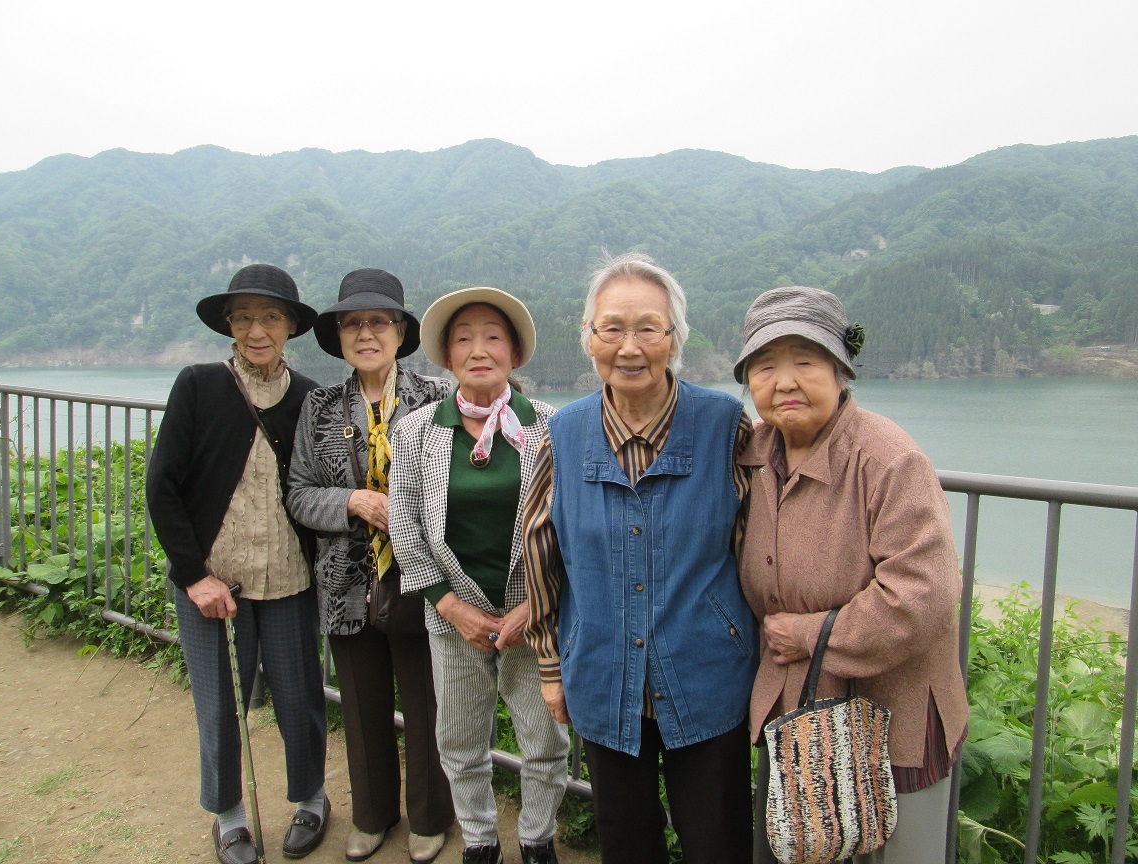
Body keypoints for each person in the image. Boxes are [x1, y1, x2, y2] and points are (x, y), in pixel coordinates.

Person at [523, 252, 759, 864]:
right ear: (588, 337)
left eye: (648, 328)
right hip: (602, 672)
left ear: (675, 338)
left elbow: (760, 549)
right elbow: (539, 549)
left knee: (717, 840)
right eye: (612, 328)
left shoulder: (725, 426)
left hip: (708, 672)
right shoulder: (563, 434)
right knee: (625, 839)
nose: (629, 347)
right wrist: (550, 664)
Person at [732, 286, 970, 864]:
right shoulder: (751, 454)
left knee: (899, 850)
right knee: (804, 842)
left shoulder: (888, 459)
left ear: (841, 372)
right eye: (765, 366)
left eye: (805, 362)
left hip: (893, 712)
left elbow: (923, 593)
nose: (785, 382)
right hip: (799, 711)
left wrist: (809, 633)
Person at [146, 264, 330, 864]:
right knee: (220, 704)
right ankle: (228, 815)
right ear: (228, 325)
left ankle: (311, 798)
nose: (257, 330)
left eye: (270, 317)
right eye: (244, 317)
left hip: (289, 578)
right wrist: (193, 577)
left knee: (299, 696)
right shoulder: (199, 385)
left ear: (290, 326)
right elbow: (162, 487)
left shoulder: (308, 398)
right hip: (213, 582)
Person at [389, 288, 569, 864]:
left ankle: (537, 838)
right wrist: (450, 604)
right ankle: (480, 841)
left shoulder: (553, 427)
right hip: (453, 619)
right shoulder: (415, 431)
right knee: (460, 740)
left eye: (493, 336)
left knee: (545, 738)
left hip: (533, 615)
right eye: (464, 338)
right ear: (447, 356)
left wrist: (533, 606)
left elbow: (571, 526)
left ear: (515, 352)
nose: (479, 349)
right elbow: (405, 526)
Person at [286, 268, 455, 863]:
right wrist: (353, 501)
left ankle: (431, 818)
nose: (365, 333)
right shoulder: (320, 406)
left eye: (378, 321)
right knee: (360, 707)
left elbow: (457, 483)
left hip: (423, 579)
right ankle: (372, 814)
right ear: (338, 336)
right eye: (351, 323)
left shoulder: (436, 398)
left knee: (428, 703)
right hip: (345, 582)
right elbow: (299, 493)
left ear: (400, 332)